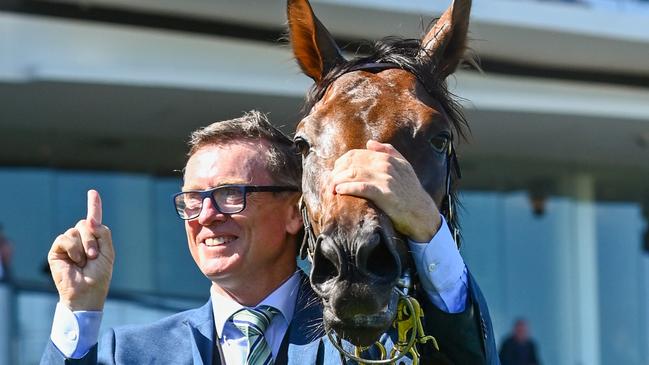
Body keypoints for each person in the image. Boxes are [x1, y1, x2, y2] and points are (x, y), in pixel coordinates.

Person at [41, 111, 498, 364]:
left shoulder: (373, 334)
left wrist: (426, 227)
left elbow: (464, 358)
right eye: (193, 200)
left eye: (230, 196)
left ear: (295, 211)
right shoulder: (132, 353)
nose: (207, 216)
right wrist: (79, 309)